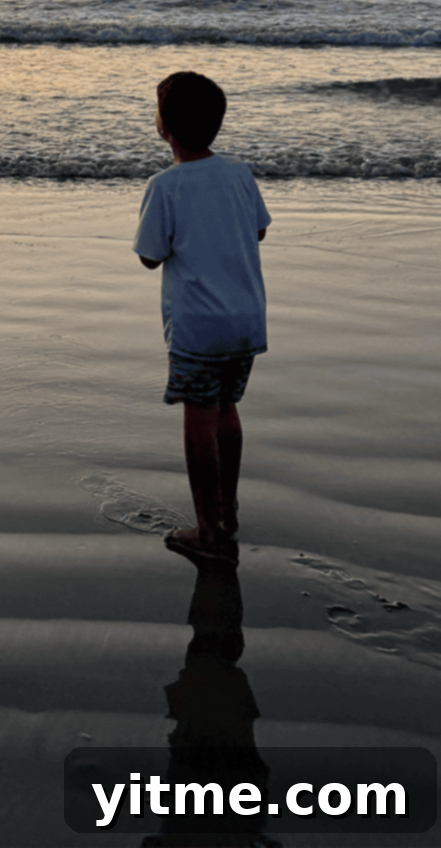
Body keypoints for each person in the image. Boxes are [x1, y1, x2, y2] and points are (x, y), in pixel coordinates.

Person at [134, 73, 271, 562]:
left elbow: (151, 256)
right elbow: (258, 231)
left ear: (163, 126)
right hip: (245, 318)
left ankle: (208, 529)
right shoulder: (239, 173)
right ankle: (227, 510)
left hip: (198, 326)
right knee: (226, 411)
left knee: (199, 420)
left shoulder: (165, 186)